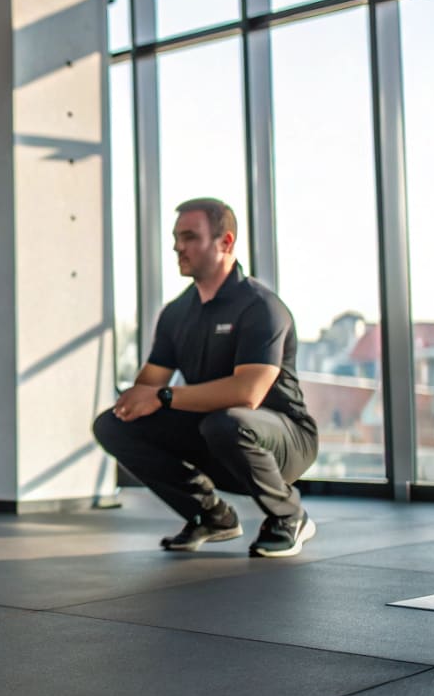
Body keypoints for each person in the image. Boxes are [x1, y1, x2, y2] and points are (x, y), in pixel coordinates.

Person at [93, 197, 319, 558]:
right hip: (215, 433)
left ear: (225, 242)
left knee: (227, 421)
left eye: (189, 237)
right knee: (113, 425)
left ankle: (289, 516)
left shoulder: (260, 307)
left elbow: (247, 393)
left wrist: (164, 397)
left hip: (283, 441)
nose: (177, 247)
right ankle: (210, 515)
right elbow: (147, 384)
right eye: (175, 238)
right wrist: (139, 398)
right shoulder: (176, 314)